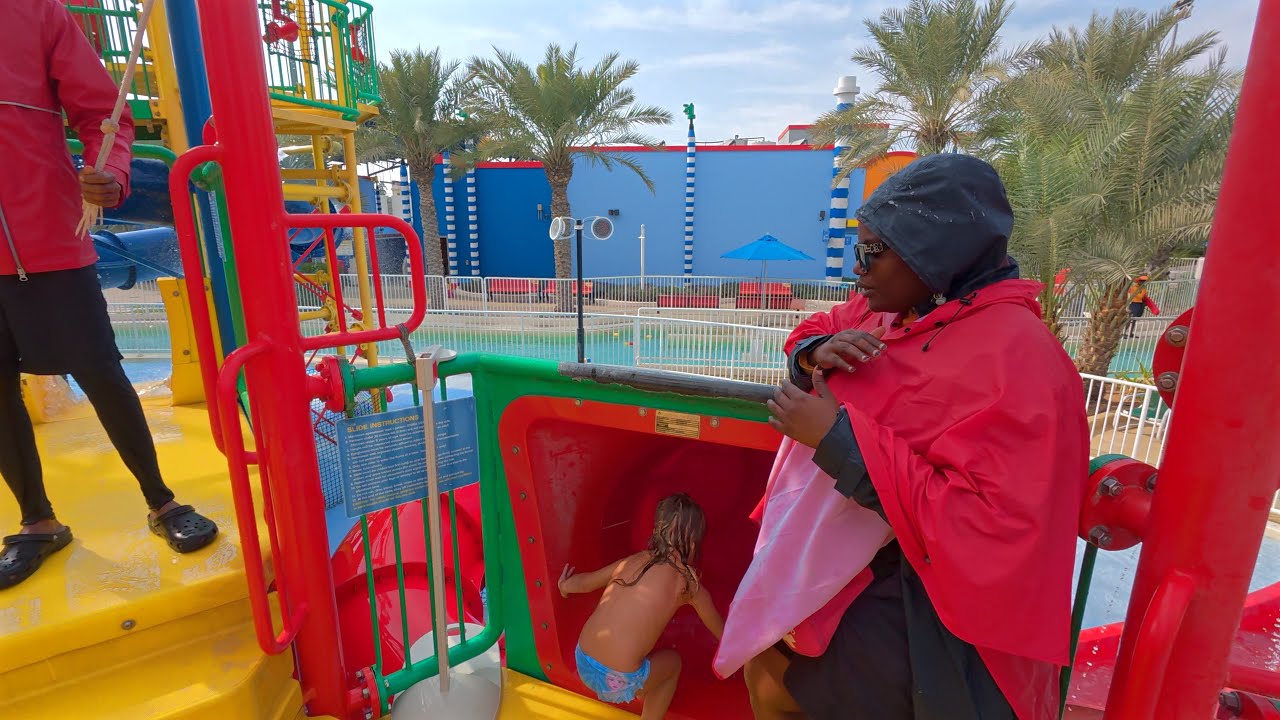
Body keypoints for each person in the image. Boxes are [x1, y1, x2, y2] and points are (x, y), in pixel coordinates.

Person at [714, 154, 1089, 719]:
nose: (856, 268)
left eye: (873, 252)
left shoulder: (1018, 358)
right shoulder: (893, 310)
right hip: (868, 555)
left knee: (776, 681)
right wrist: (812, 353)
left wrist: (836, 438)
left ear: (932, 252)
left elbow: (994, 528)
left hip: (938, 604)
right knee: (765, 667)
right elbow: (818, 325)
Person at [0, 0, 218, 591]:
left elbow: (104, 114)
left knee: (101, 373)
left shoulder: (35, 13)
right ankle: (37, 522)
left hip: (49, 237)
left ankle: (161, 500)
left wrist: (111, 172)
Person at [559, 493, 725, 719]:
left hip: (582, 661)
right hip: (619, 681)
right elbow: (720, 632)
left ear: (656, 530)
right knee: (673, 663)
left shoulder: (632, 561)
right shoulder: (687, 583)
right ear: (695, 543)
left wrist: (565, 585)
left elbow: (585, 583)